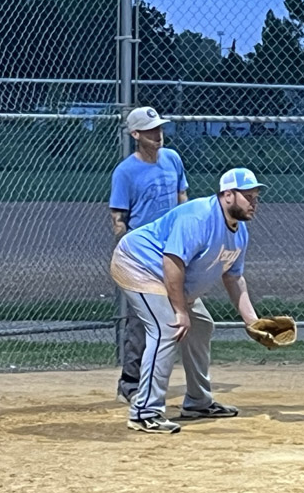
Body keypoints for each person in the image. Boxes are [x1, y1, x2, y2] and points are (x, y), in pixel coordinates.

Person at [109, 168, 265, 434]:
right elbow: (172, 263)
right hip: (137, 264)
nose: (254, 202)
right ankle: (144, 412)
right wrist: (180, 311)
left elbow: (234, 278)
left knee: (201, 325)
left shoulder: (240, 233)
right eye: (247, 196)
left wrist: (252, 322)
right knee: (167, 328)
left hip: (165, 274)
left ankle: (198, 402)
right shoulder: (198, 217)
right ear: (228, 195)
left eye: (255, 197)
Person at [109, 106, 189, 404]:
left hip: (173, 251)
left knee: (182, 316)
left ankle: (163, 381)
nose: (158, 134)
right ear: (135, 134)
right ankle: (130, 383)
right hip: (142, 255)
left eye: (159, 128)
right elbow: (119, 218)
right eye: (150, 130)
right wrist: (129, 257)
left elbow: (182, 198)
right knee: (140, 321)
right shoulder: (125, 172)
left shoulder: (172, 159)